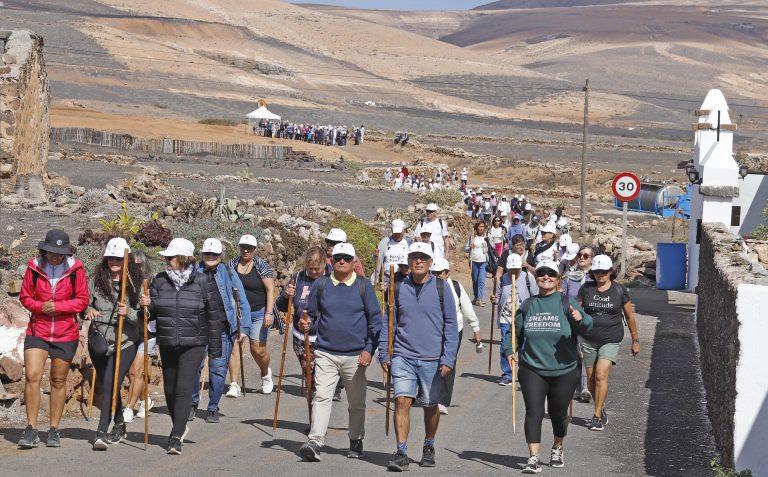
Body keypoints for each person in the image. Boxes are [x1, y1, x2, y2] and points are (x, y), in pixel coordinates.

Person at [502, 259, 593, 473]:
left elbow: (589, 325)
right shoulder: (527, 305)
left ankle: (557, 446)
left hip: (564, 369)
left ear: (558, 279)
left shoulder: (567, 302)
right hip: (532, 368)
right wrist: (509, 351)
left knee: (558, 413)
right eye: (541, 273)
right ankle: (533, 458)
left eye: (550, 274)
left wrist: (580, 318)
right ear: (536, 277)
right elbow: (514, 334)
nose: (545, 277)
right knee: (533, 411)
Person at [297, 242, 381, 462]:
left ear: (354, 262)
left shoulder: (363, 286)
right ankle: (315, 440)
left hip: (356, 355)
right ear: (331, 261)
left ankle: (355, 439)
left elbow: (375, 321)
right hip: (325, 352)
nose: (341, 261)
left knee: (356, 402)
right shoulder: (322, 285)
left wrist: (369, 350)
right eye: (337, 258)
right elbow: (312, 315)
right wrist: (306, 323)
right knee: (322, 396)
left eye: (346, 258)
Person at [380, 242, 458, 471]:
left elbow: (451, 326)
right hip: (403, 355)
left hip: (432, 358)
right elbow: (388, 322)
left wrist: (448, 358)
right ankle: (401, 451)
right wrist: (384, 352)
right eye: (414, 257)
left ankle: (428, 444)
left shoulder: (442, 288)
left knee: (430, 405)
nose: (419, 261)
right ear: (409, 261)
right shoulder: (398, 288)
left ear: (431, 262)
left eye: (423, 257)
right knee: (402, 400)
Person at [141, 238, 222, 454]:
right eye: (166, 257)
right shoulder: (159, 280)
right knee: (169, 389)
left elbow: (215, 316)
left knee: (184, 388)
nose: (166, 260)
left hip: (194, 342)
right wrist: (146, 306)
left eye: (170, 257)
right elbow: (152, 314)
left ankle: (175, 435)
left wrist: (215, 351)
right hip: (167, 341)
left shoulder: (203, 282)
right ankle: (180, 423)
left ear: (184, 258)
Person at [18, 229, 89, 449]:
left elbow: (82, 300)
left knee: (58, 380)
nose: (55, 256)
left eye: (60, 252)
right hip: (38, 330)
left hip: (65, 333)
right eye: (51, 251)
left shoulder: (76, 269)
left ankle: (54, 429)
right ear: (44, 249)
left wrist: (59, 307)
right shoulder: (34, 268)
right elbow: (25, 296)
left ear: (67, 252)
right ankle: (30, 429)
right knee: (32, 376)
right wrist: (41, 307)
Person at [84, 238, 144, 450]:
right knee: (109, 383)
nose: (114, 261)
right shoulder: (96, 280)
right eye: (111, 257)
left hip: (125, 342)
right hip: (99, 341)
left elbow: (143, 317)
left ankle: (101, 431)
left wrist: (129, 314)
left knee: (110, 383)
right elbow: (84, 302)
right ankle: (120, 423)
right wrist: (87, 310)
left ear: (126, 258)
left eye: (118, 258)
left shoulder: (135, 283)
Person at [276, 246, 342, 424]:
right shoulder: (298, 278)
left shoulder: (334, 278)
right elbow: (282, 306)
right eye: (310, 269)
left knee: (321, 382)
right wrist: (285, 295)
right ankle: (314, 421)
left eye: (317, 269)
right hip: (301, 339)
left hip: (326, 338)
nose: (313, 272)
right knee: (311, 381)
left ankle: (319, 422)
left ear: (324, 265)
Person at [190, 238, 251, 423]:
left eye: (214, 254)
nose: (210, 257)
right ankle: (192, 404)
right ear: (202, 255)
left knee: (218, 370)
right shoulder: (193, 272)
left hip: (222, 329)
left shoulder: (228, 272)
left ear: (220, 256)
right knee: (194, 369)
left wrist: (244, 327)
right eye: (207, 254)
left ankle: (213, 407)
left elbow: (241, 299)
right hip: (198, 329)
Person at [578, 255, 640, 432]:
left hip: (611, 339)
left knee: (600, 375)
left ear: (611, 272)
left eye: (603, 272)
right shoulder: (586, 289)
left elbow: (629, 316)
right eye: (596, 271)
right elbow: (576, 310)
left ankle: (596, 417)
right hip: (589, 338)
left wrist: (635, 340)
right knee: (591, 381)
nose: (600, 275)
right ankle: (601, 406)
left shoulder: (619, 290)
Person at [429, 257, 481, 415]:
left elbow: (467, 308)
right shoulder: (427, 286)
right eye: (433, 273)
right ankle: (428, 394)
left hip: (453, 330)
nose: (436, 276)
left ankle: (443, 400)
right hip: (433, 331)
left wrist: (476, 329)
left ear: (447, 273)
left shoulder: (455, 287)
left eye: (439, 273)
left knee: (447, 363)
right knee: (431, 361)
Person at [227, 235, 275, 397]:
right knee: (235, 346)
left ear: (255, 249)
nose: (246, 250)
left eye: (249, 248)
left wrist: (269, 313)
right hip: (238, 314)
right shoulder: (231, 265)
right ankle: (234, 384)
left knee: (257, 350)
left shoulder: (262, 266)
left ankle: (265, 373)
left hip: (258, 313)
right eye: (243, 247)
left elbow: (270, 290)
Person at [495, 251, 538, 386]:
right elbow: (497, 297)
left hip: (524, 318)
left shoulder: (527, 278)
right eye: (511, 269)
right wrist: (494, 299)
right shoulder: (502, 279)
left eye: (517, 269)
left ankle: (524, 373)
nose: (514, 272)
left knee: (524, 346)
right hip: (506, 318)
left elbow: (536, 296)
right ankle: (507, 374)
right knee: (505, 346)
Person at [123, 250, 156, 423]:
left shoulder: (152, 282)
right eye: (133, 264)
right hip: (131, 332)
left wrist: (150, 303)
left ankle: (129, 408)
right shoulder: (126, 282)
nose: (136, 268)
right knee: (132, 372)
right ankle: (145, 400)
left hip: (148, 332)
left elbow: (157, 307)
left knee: (136, 370)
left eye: (139, 264)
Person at [561, 246, 595, 403]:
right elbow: (564, 297)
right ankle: (575, 387)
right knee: (575, 353)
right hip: (572, 319)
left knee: (585, 353)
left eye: (586, 255)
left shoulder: (595, 278)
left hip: (589, 321)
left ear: (592, 259)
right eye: (580, 255)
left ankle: (586, 387)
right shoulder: (570, 277)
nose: (582, 257)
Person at [373, 219, 411, 292]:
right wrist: (375, 280)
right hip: (387, 277)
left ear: (403, 230)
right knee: (388, 300)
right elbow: (377, 261)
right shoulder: (385, 242)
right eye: (395, 233)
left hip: (403, 277)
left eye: (399, 233)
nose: (397, 235)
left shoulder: (408, 242)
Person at [466, 220, 490, 306]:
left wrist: (488, 245)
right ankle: (476, 297)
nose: (481, 228)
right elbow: (466, 248)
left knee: (481, 280)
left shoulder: (487, 237)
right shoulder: (472, 237)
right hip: (474, 260)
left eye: (483, 227)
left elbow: (493, 247)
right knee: (475, 280)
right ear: (476, 227)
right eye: (480, 226)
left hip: (483, 261)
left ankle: (480, 298)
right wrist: (470, 247)